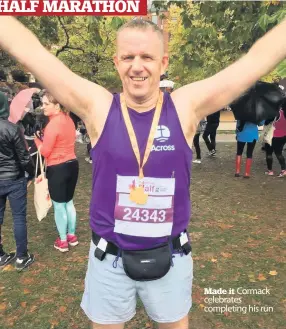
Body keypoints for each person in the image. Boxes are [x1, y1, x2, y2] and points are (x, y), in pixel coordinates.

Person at [0, 16, 285, 329]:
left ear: (163, 62)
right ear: (116, 62)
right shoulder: (98, 105)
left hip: (172, 255)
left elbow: (255, 62)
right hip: (108, 260)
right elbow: (33, 54)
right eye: (128, 57)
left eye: (147, 57)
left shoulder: (184, 106)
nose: (137, 66)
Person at [34, 91, 79, 252]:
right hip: (72, 164)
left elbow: (45, 151)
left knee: (59, 205)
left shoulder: (53, 124)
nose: (43, 107)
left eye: (46, 104)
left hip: (58, 167)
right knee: (69, 202)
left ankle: (62, 240)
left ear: (57, 105)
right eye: (43, 103)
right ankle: (71, 235)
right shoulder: (69, 120)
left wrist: (36, 140)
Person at [0, 91, 35, 271]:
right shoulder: (12, 128)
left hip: (9, 176)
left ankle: (1, 255)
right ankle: (21, 257)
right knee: (19, 218)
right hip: (14, 179)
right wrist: (32, 173)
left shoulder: (11, 128)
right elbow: (24, 157)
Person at [265, 100, 286, 177]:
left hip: (272, 136)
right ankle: (283, 170)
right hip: (283, 136)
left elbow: (266, 123)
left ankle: (270, 171)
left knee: (269, 153)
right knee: (279, 153)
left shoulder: (274, 114)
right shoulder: (283, 112)